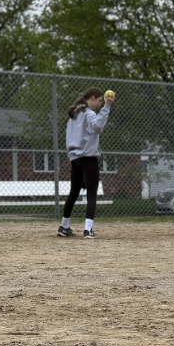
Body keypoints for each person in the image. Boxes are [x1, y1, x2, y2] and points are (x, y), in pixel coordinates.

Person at [59, 88, 112, 239]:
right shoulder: (89, 113)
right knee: (91, 194)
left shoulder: (74, 114)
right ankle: (88, 230)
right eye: (99, 101)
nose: (99, 104)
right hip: (88, 157)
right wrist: (107, 106)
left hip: (75, 158)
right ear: (92, 99)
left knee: (74, 192)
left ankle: (64, 226)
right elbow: (97, 127)